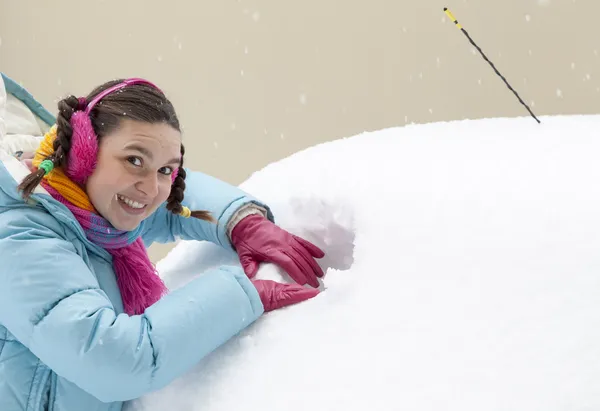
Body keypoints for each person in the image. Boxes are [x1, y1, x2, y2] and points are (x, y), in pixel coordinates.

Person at [0, 78, 326, 411]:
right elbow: (115, 360)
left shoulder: (91, 208)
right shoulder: (19, 236)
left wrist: (241, 220)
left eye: (165, 170)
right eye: (135, 161)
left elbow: (172, 205)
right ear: (84, 153)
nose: (150, 188)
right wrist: (243, 293)